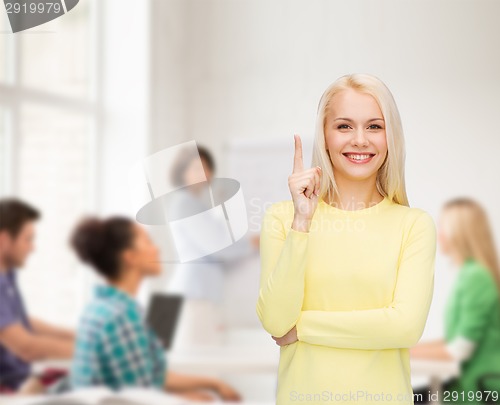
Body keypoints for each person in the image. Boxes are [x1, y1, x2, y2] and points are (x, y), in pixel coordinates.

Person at [256, 73, 437, 405]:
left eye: (374, 127)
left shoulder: (413, 225)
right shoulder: (283, 218)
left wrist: (304, 328)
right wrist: (302, 222)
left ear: (390, 137)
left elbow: (405, 327)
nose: (360, 140)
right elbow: (276, 322)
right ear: (324, 136)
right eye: (343, 126)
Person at [69, 215, 242, 402]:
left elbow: (152, 376)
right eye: (147, 241)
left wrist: (211, 384)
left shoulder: (101, 307)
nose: (157, 248)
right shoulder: (122, 316)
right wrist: (189, 399)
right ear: (130, 257)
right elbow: (139, 397)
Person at [165, 145, 259, 348]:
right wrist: (252, 244)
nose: (204, 174)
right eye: (197, 169)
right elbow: (218, 246)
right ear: (183, 172)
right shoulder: (185, 204)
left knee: (198, 362)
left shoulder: (193, 203)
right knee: (197, 365)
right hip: (192, 297)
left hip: (196, 295)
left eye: (207, 168)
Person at [411, 197, 500, 404]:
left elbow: (458, 350)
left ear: (460, 234)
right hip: (467, 385)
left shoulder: (476, 277)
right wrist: (401, 350)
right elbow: (454, 340)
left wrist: (400, 353)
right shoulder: (470, 273)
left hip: (477, 389)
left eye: (443, 227)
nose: (438, 235)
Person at [0, 198, 74, 393]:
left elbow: (21, 322)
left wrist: (77, 335)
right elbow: (26, 348)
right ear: (5, 239)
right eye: (28, 239)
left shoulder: (7, 277)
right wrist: (92, 350)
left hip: (21, 382)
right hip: (9, 390)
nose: (32, 248)